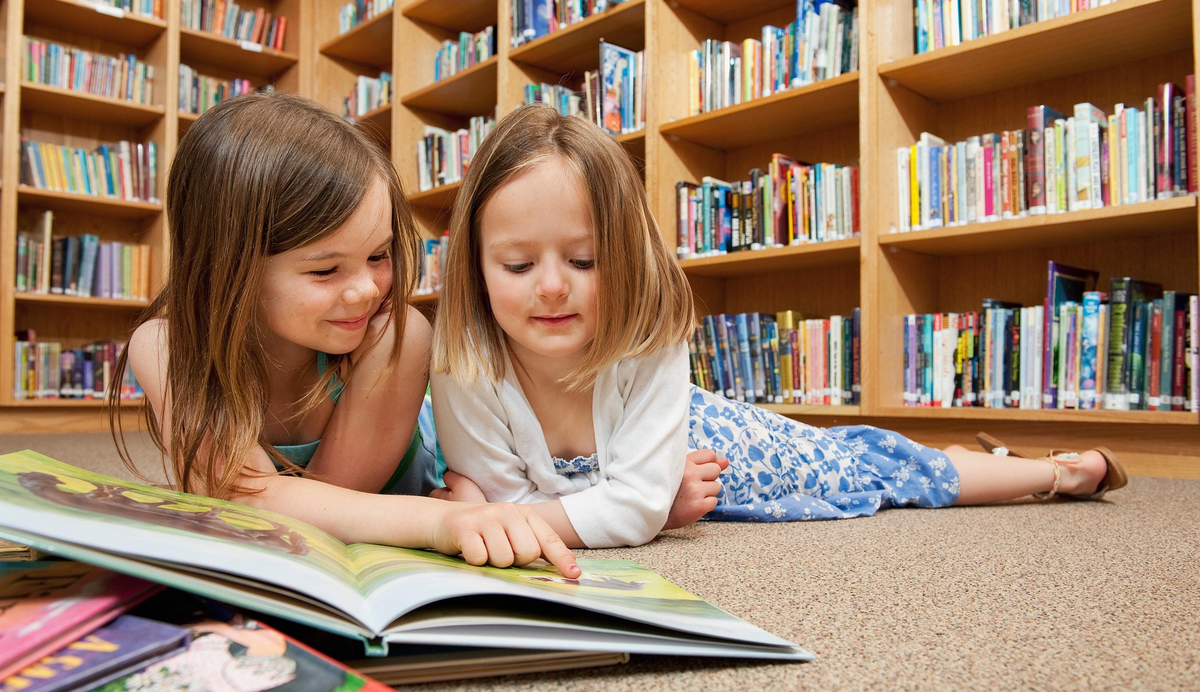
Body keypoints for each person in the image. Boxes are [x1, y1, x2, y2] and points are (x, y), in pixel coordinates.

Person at [429, 105, 1128, 550]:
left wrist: (630, 509)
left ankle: (1057, 473)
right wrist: (624, 506)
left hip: (716, 443)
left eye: (583, 259)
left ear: (627, 258)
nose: (552, 286)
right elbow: (529, 510)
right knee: (874, 460)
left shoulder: (649, 338)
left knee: (876, 466)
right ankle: (992, 458)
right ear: (474, 266)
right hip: (674, 475)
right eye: (518, 264)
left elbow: (526, 514)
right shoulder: (462, 361)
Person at [108, 92, 578, 576]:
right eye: (326, 269)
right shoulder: (166, 347)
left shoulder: (395, 338)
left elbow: (325, 510)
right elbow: (248, 501)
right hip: (440, 511)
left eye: (379, 256)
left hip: (454, 473)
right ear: (224, 266)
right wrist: (442, 520)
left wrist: (450, 515)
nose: (365, 291)